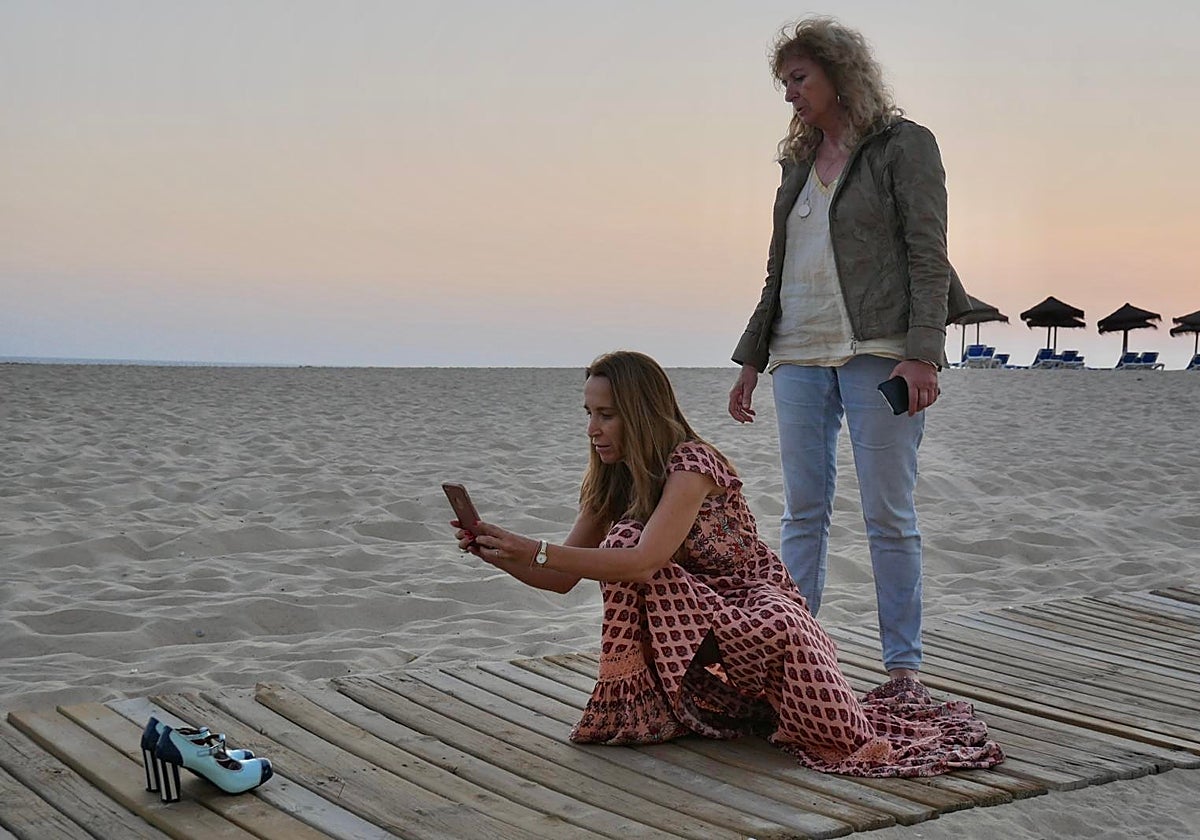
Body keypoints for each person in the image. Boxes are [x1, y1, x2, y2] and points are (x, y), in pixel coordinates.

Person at [455, 350, 1001, 777]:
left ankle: (740, 704)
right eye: (589, 414)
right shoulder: (614, 478)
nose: (592, 429)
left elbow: (644, 562)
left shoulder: (693, 464)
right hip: (697, 622)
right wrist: (499, 551)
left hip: (761, 616)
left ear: (641, 414)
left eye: (606, 415)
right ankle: (644, 706)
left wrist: (536, 548)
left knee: (851, 743)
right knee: (616, 538)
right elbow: (562, 577)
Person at [728, 18, 972, 687]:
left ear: (840, 73)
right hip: (798, 355)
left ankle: (903, 668)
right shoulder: (797, 166)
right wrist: (752, 357)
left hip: (881, 352)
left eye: (799, 79)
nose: (790, 96)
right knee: (802, 511)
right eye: (785, 83)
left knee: (887, 513)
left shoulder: (904, 147)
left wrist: (923, 353)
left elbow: (928, 257)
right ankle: (792, 660)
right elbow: (779, 271)